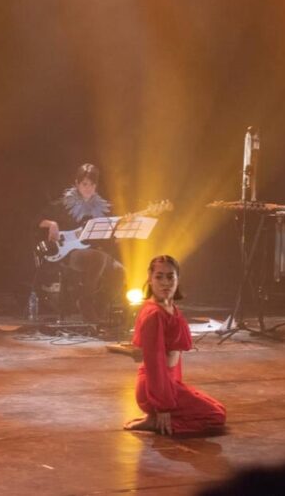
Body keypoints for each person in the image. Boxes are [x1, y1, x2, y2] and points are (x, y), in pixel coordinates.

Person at [124, 255, 226, 435]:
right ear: (150, 278)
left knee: (218, 407)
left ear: (178, 279)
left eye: (170, 277)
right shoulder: (154, 314)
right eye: (159, 276)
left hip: (168, 383)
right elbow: (155, 364)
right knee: (216, 416)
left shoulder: (171, 308)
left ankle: (154, 418)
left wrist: (176, 386)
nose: (165, 283)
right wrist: (163, 405)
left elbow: (174, 357)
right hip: (154, 388)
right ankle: (157, 419)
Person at [38, 163, 127, 322]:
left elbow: (107, 237)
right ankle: (85, 301)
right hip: (69, 253)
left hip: (93, 251)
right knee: (98, 258)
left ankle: (100, 307)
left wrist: (117, 236)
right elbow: (36, 220)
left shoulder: (103, 208)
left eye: (92, 184)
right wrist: (52, 224)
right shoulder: (63, 204)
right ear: (77, 183)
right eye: (85, 184)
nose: (88, 188)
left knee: (120, 271)